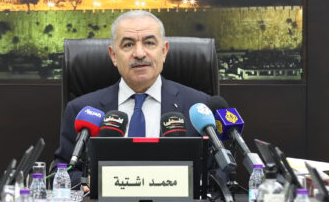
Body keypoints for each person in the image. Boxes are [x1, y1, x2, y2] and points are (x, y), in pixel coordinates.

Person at [53, 10, 211, 184]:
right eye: (128, 45)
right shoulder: (82, 110)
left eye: (149, 43)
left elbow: (219, 172)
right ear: (113, 55)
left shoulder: (199, 108)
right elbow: (60, 172)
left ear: (164, 51)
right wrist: (88, 182)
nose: (139, 53)